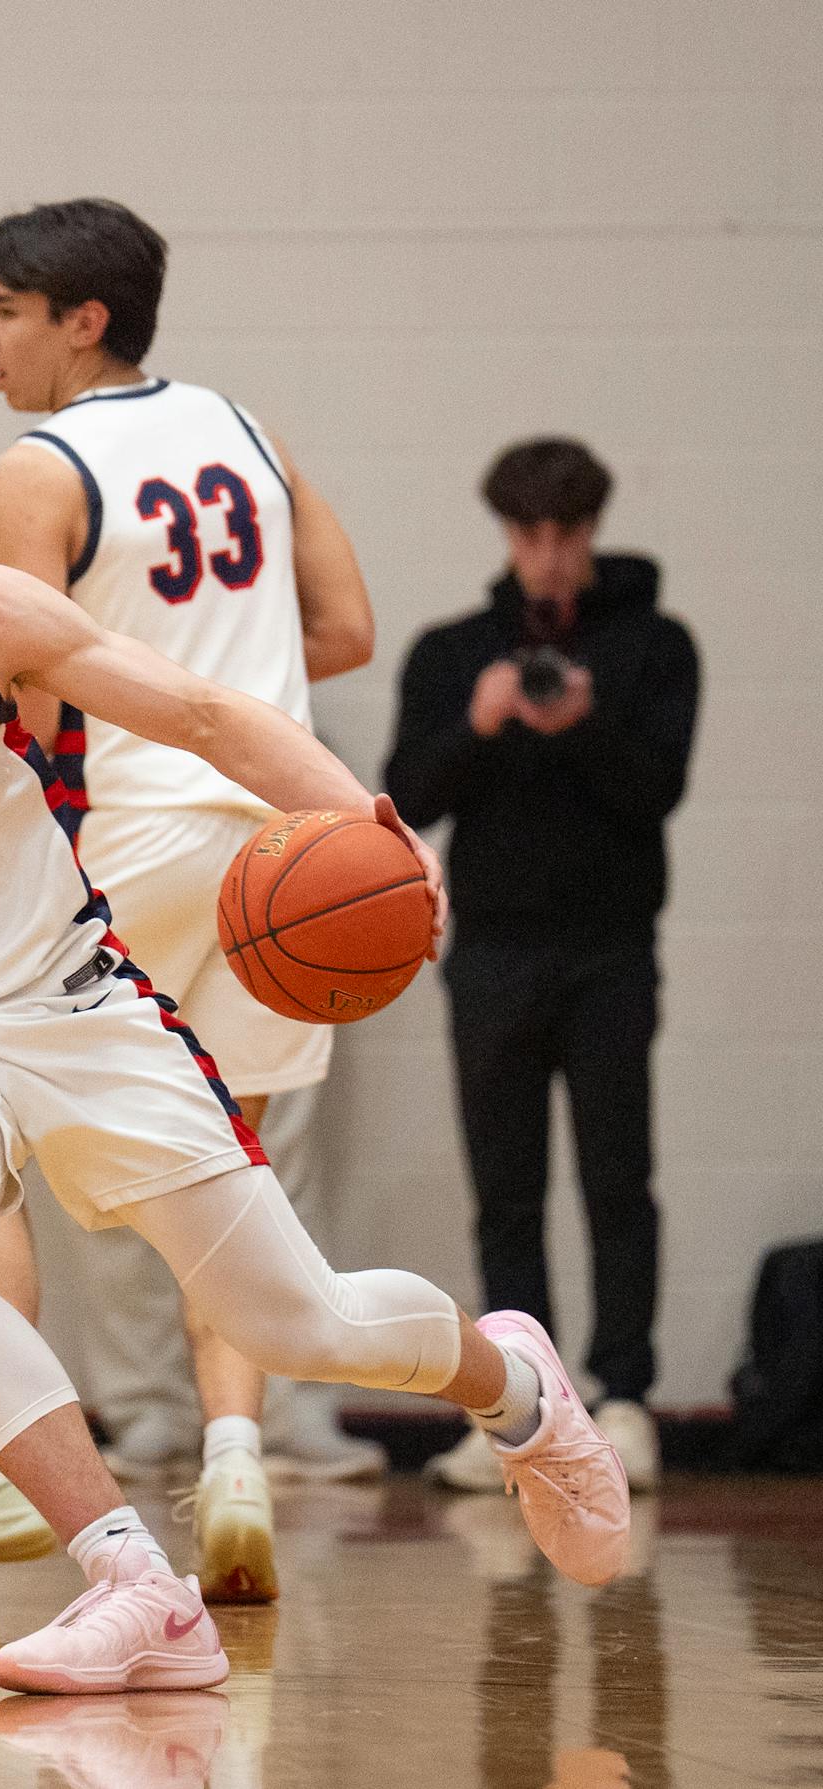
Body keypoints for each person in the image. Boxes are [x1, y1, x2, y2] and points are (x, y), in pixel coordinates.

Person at [0, 339, 632, 1694]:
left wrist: (366, 830)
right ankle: (136, 1583)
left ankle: (514, 1389)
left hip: (71, 997)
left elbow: (211, 714)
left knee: (296, 1322)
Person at [0, 197, 385, 1604]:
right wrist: (218, 662)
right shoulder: (251, 432)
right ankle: (235, 1454)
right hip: (274, 848)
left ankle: (6, 1458)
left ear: (83, 319)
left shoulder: (39, 465)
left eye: (2, 309)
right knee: (222, 1160)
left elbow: (26, 686)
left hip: (127, 831)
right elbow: (347, 630)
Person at [386, 438, 698, 1495]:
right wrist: (480, 724)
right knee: (505, 1192)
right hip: (493, 956)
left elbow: (657, 790)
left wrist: (584, 723)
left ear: (594, 532)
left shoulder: (656, 647)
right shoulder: (452, 653)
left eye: (567, 534)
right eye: (531, 534)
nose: (551, 556)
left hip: (611, 953)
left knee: (619, 1179)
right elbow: (406, 797)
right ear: (507, 535)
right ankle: (525, 1406)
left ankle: (624, 1397)